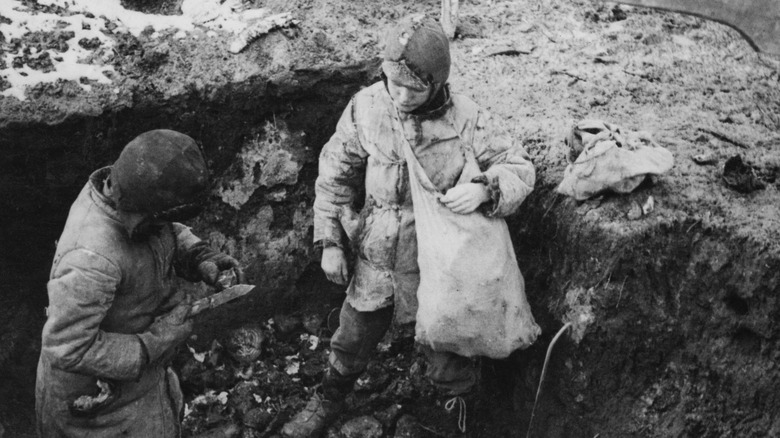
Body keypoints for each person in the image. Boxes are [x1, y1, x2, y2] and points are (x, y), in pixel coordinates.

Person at [282, 14, 536, 437]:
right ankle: (327, 398)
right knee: (352, 335)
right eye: (392, 83)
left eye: (413, 89)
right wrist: (328, 240)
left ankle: (462, 416)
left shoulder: (466, 119)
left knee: (448, 352)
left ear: (436, 84)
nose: (399, 95)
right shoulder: (366, 106)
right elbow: (335, 174)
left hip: (437, 262)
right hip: (376, 252)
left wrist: (485, 190)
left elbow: (519, 166)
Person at [36, 129, 244, 437]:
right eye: (156, 220)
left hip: (139, 385)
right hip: (97, 407)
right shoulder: (91, 257)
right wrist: (155, 342)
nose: (160, 226)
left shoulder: (128, 193)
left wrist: (199, 255)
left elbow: (166, 231)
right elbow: (67, 347)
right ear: (137, 212)